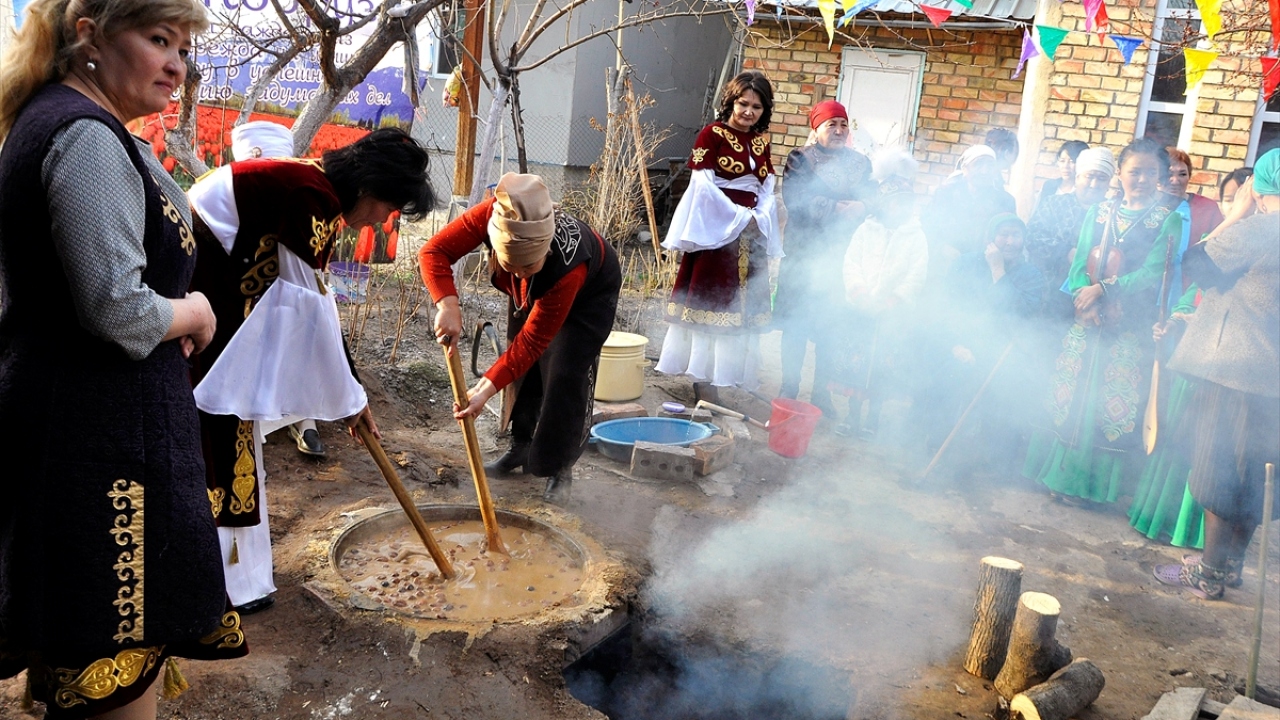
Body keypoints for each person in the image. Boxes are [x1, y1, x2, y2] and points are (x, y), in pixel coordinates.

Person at [0, 1, 248, 716]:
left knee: (89, 673)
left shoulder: (77, 125)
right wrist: (196, 312)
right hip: (100, 453)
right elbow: (119, 309)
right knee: (113, 675)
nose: (178, 64)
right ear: (89, 35)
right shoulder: (82, 138)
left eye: (184, 46)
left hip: (89, 434)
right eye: (158, 40)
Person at [188, 127, 433, 613]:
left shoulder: (313, 187)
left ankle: (240, 581)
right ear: (370, 190)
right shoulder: (310, 195)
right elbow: (312, 311)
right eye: (389, 209)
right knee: (224, 438)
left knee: (236, 438)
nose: (380, 221)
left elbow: (315, 301)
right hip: (207, 298)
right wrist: (350, 399)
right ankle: (219, 585)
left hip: (224, 300)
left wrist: (353, 389)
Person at [419, 173, 621, 502]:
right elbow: (434, 252)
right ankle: (522, 446)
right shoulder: (493, 216)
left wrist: (483, 390)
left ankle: (559, 467)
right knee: (521, 370)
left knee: (564, 373)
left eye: (528, 266)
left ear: (545, 250)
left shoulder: (568, 270)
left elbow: (533, 343)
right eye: (510, 265)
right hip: (542, 289)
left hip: (590, 296)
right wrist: (447, 304)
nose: (518, 274)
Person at [1023, 138, 1193, 505]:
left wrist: (1104, 290)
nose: (1143, 179)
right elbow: (1079, 259)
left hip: (1129, 322)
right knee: (1071, 393)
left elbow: (1153, 273)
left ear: (1161, 176)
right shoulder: (1099, 212)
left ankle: (1092, 487)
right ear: (1120, 173)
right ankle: (1055, 474)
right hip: (1087, 317)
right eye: (1135, 171)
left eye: (1151, 173)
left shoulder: (1170, 218)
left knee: (1109, 404)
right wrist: (1084, 295)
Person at [1154, 150, 1280, 600]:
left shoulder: (1262, 229)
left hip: (1236, 374)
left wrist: (1238, 214)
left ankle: (1207, 573)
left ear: (1260, 188)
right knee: (1258, 478)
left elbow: (1196, 267)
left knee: (1219, 468)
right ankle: (1229, 568)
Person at [655, 71, 782, 404]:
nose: (749, 112)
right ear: (731, 101)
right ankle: (704, 384)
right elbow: (702, 185)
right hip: (717, 235)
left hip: (750, 234)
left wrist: (759, 216)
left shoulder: (761, 141)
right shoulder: (711, 135)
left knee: (743, 310)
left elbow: (767, 186)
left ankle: (731, 376)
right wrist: (737, 217)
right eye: (743, 103)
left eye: (756, 106)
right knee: (714, 305)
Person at [226, 120, 328, 457]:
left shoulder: (300, 206)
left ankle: (304, 419)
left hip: (284, 305)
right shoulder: (227, 200)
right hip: (230, 305)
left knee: (306, 321)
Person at [913, 214, 1045, 468]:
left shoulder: (1031, 274)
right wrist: (956, 345)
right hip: (959, 342)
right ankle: (937, 439)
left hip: (1003, 348)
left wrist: (997, 270)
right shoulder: (966, 264)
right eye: (1003, 234)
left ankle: (990, 456)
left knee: (1007, 389)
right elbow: (946, 307)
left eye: (1015, 235)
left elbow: (1021, 312)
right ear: (990, 238)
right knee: (947, 375)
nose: (1009, 241)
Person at [774, 100, 876, 416]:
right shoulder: (800, 158)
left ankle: (821, 393)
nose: (839, 130)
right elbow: (794, 197)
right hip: (803, 253)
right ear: (816, 129)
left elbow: (871, 196)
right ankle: (789, 387)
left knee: (830, 326)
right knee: (796, 325)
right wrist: (835, 209)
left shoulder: (861, 163)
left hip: (840, 258)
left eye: (844, 125)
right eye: (832, 124)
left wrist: (863, 208)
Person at [834, 150, 927, 438]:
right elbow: (852, 262)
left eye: (906, 203)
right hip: (862, 308)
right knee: (856, 363)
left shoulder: (916, 236)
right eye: (896, 203)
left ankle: (872, 420)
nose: (901, 208)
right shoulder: (867, 229)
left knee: (883, 367)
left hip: (891, 313)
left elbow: (916, 273)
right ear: (884, 205)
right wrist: (859, 292)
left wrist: (894, 300)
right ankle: (852, 416)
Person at [1025, 147, 1116, 308]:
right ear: (1077, 177)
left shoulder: (1114, 214)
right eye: (1089, 177)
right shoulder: (1054, 204)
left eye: (1101, 178)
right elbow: (1032, 237)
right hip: (1047, 292)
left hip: (1092, 300)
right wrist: (1066, 251)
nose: (1094, 184)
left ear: (1109, 183)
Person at [920, 145, 1016, 278]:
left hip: (985, 271)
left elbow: (1010, 236)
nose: (984, 171)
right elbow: (927, 228)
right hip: (945, 267)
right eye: (978, 164)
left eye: (990, 166)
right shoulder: (945, 194)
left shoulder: (1005, 201)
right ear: (965, 169)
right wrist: (941, 247)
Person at [1162, 147, 1225, 249]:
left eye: (1182, 174)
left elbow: (1221, 245)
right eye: (1169, 174)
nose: (1175, 180)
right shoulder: (1146, 206)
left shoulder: (1207, 208)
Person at [1034, 140, 1090, 210]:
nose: (1065, 166)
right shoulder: (1049, 186)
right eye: (1062, 161)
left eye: (1072, 161)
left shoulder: (1086, 192)